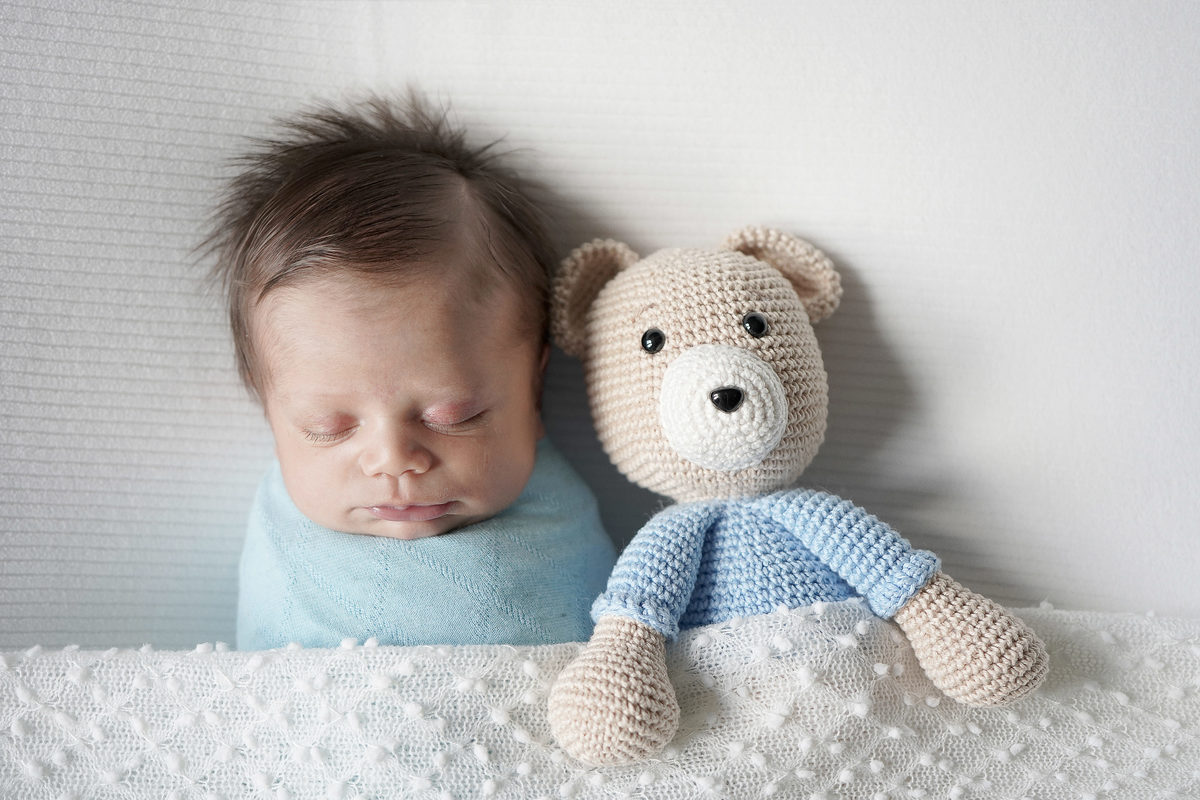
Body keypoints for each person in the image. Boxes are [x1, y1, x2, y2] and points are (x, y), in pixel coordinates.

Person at [204, 94, 616, 650]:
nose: (394, 458)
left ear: (534, 390)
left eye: (453, 415)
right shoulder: (288, 544)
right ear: (269, 412)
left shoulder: (560, 531)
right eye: (329, 426)